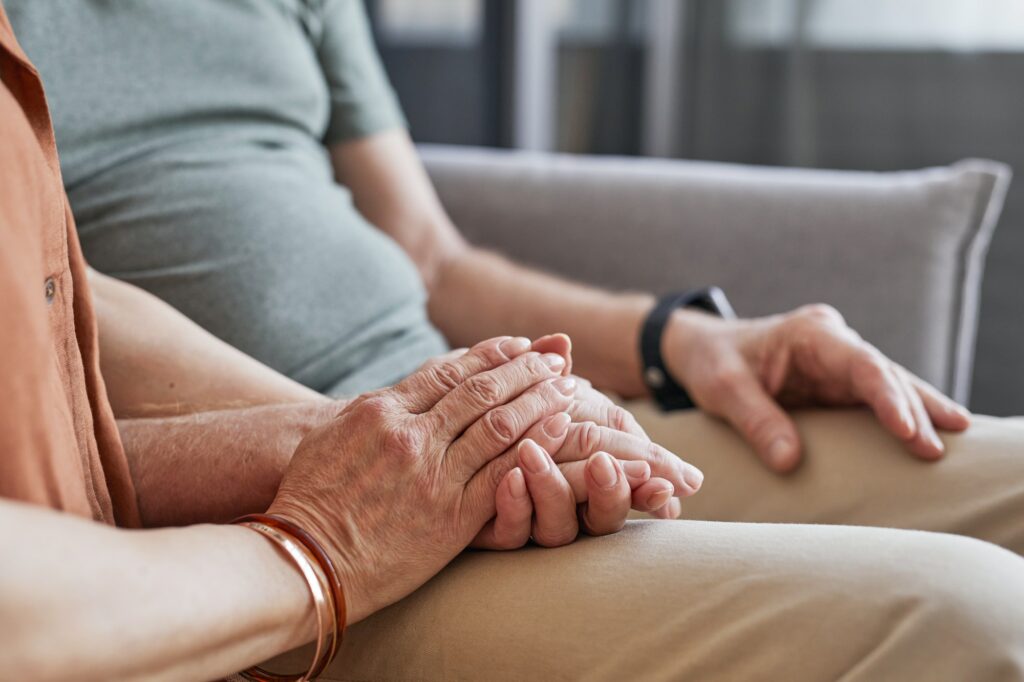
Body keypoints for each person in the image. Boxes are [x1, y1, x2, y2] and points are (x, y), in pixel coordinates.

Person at [3, 2, 1024, 680]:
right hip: (278, 499)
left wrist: (680, 339)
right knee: (978, 617)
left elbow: (431, 257)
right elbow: (56, 342)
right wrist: (383, 443)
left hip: (449, 420)